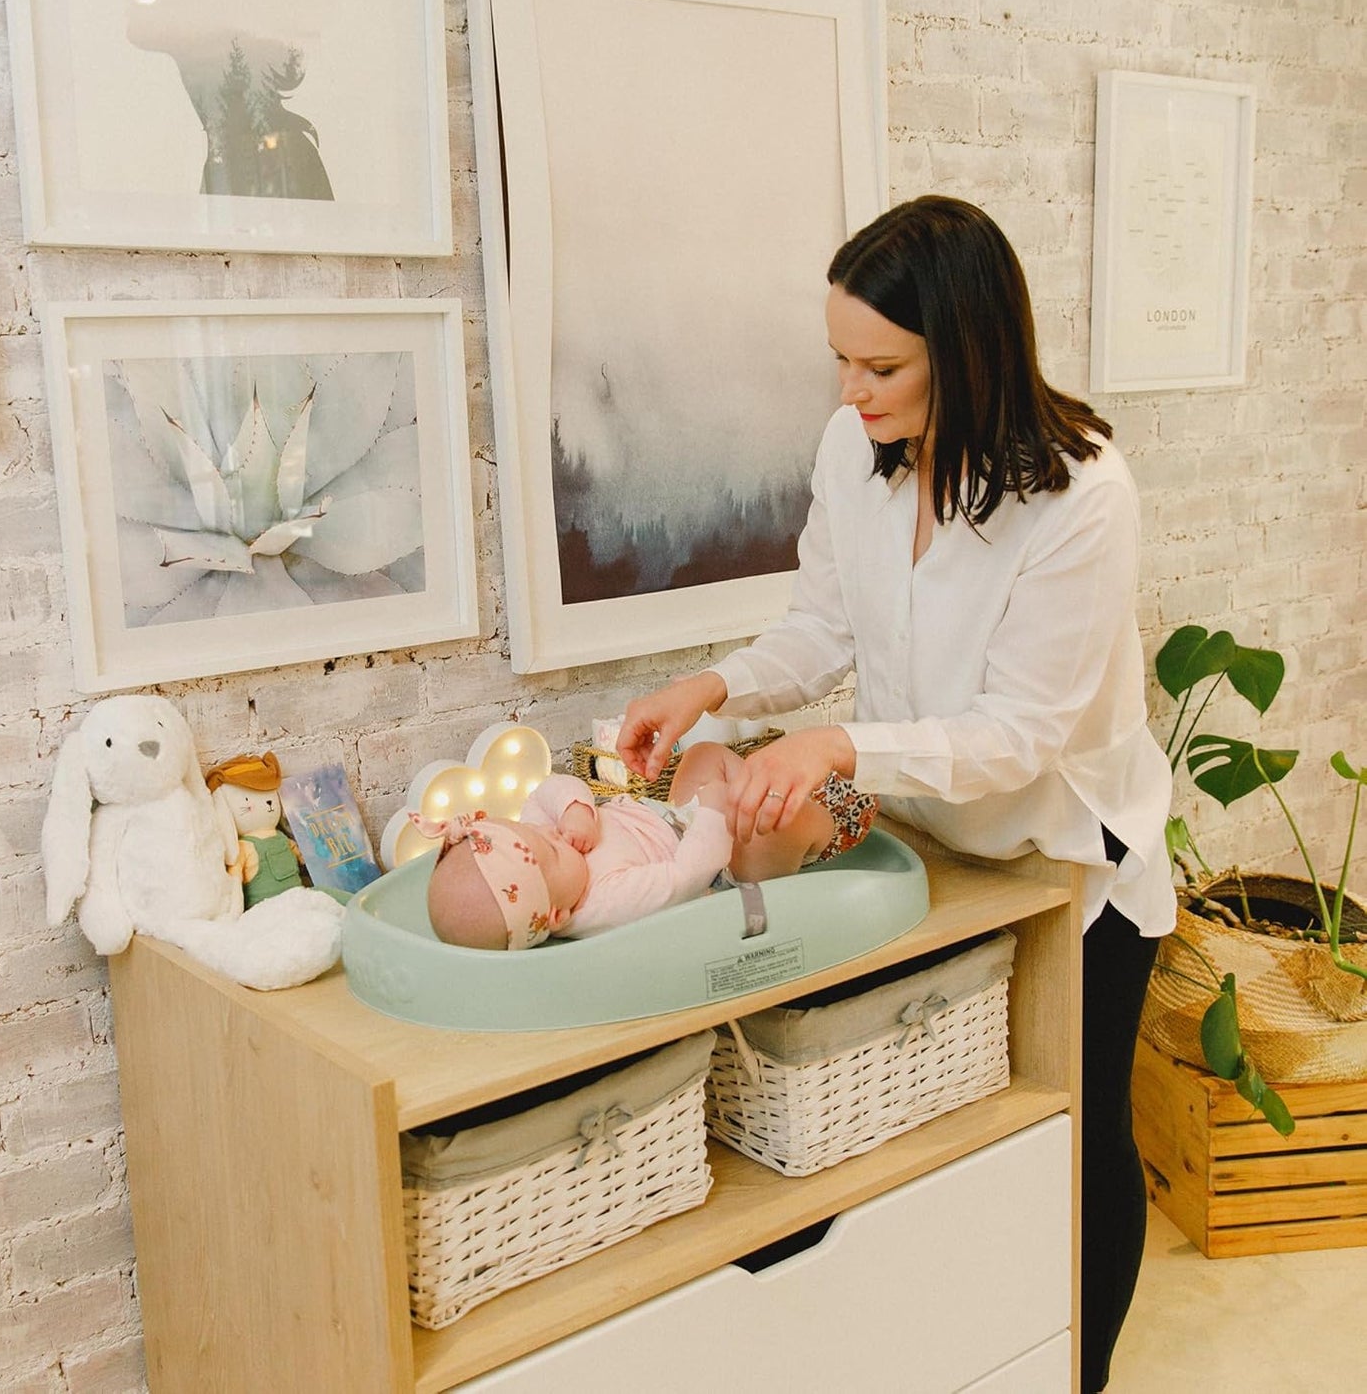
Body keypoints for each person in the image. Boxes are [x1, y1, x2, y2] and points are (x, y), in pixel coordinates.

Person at [616, 195, 1175, 1394]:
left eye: (880, 365)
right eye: (839, 358)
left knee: (1079, 1138)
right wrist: (710, 686)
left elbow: (1020, 737)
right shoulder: (851, 450)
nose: (848, 391)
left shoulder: (1079, 499)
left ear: (965, 351)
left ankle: (1078, 1371)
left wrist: (835, 750)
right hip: (935, 844)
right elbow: (823, 624)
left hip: (1065, 853)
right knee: (958, 1144)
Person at [416, 742, 877, 951]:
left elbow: (542, 795)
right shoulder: (605, 902)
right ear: (558, 916)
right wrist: (716, 809)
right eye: (554, 850)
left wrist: (576, 807)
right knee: (774, 825)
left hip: (675, 820)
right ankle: (830, 827)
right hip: (721, 868)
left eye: (539, 833)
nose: (554, 834)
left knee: (704, 755)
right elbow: (686, 876)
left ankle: (771, 788)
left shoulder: (542, 849)